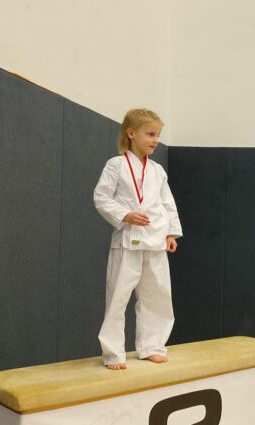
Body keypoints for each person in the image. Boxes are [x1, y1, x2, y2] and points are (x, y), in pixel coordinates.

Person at [93, 108, 182, 370]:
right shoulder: (116, 165)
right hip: (127, 241)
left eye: (158, 135)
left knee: (158, 296)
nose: (156, 140)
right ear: (131, 133)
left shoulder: (158, 170)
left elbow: (167, 203)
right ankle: (113, 354)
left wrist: (171, 233)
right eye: (150, 134)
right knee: (117, 298)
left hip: (155, 241)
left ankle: (152, 346)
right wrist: (125, 215)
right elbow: (101, 197)